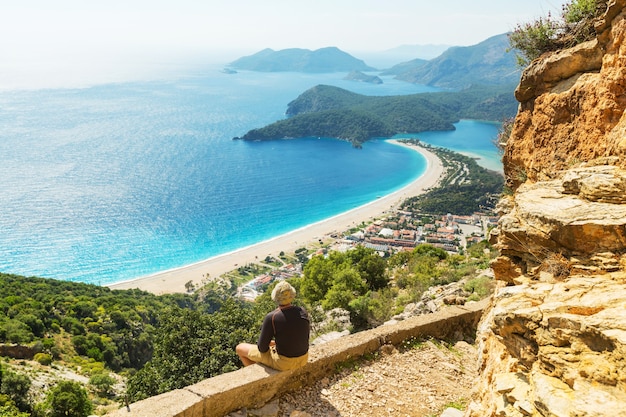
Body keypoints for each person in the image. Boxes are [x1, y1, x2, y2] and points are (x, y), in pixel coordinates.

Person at [236, 281, 310, 371]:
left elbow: (262, 348)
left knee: (240, 348)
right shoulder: (302, 311)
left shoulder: (272, 317)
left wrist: (270, 343)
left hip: (284, 363)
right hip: (303, 359)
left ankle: (258, 376)